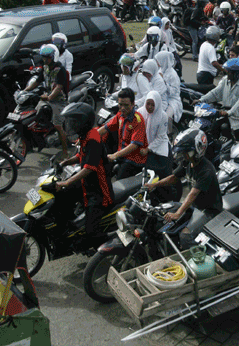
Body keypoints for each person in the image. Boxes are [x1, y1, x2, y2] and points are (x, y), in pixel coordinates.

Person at [147, 128, 221, 246]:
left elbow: (193, 194)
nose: (183, 155)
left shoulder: (206, 170)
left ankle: (195, 258)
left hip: (208, 211)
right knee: (160, 212)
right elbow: (173, 177)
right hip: (194, 206)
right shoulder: (188, 162)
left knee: (185, 236)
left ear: (197, 150)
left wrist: (178, 213)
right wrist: (154, 185)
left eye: (186, 152)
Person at [56, 103, 113, 236]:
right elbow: (81, 155)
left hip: (99, 191)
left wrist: (67, 182)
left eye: (73, 122)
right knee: (64, 196)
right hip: (87, 184)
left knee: (90, 231)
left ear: (83, 122)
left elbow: (89, 168)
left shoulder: (93, 138)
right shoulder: (86, 136)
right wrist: (66, 162)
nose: (70, 125)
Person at [23, 44, 70, 158]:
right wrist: (24, 91)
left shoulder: (60, 70)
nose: (44, 59)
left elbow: (58, 88)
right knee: (31, 116)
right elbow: (37, 82)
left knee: (58, 127)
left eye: (47, 57)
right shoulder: (45, 67)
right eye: (43, 57)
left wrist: (49, 98)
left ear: (53, 57)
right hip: (47, 98)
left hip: (58, 101)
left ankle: (65, 153)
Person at [99, 87, 148, 179]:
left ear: (133, 104)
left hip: (132, 160)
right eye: (120, 105)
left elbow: (134, 145)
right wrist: (88, 137)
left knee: (119, 187)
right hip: (121, 155)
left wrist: (115, 155)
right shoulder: (120, 115)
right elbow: (106, 128)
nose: (122, 108)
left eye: (126, 105)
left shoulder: (138, 120)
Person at [200, 58, 239, 141]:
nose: (227, 73)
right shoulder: (225, 80)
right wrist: (201, 100)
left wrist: (229, 112)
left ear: (236, 73)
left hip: (237, 117)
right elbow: (215, 93)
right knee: (212, 129)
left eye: (229, 72)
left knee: (231, 135)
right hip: (224, 112)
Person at [137, 91, 173, 192]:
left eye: (153, 105)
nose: (150, 107)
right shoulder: (140, 112)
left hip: (159, 148)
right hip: (144, 147)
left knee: (164, 177)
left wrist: (148, 148)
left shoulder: (163, 116)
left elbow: (161, 137)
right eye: (148, 103)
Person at [155, 51, 182, 125]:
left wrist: (164, 82)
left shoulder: (172, 74)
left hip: (172, 100)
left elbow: (173, 91)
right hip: (162, 98)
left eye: (158, 61)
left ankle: (169, 134)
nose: (157, 63)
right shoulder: (160, 70)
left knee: (166, 117)